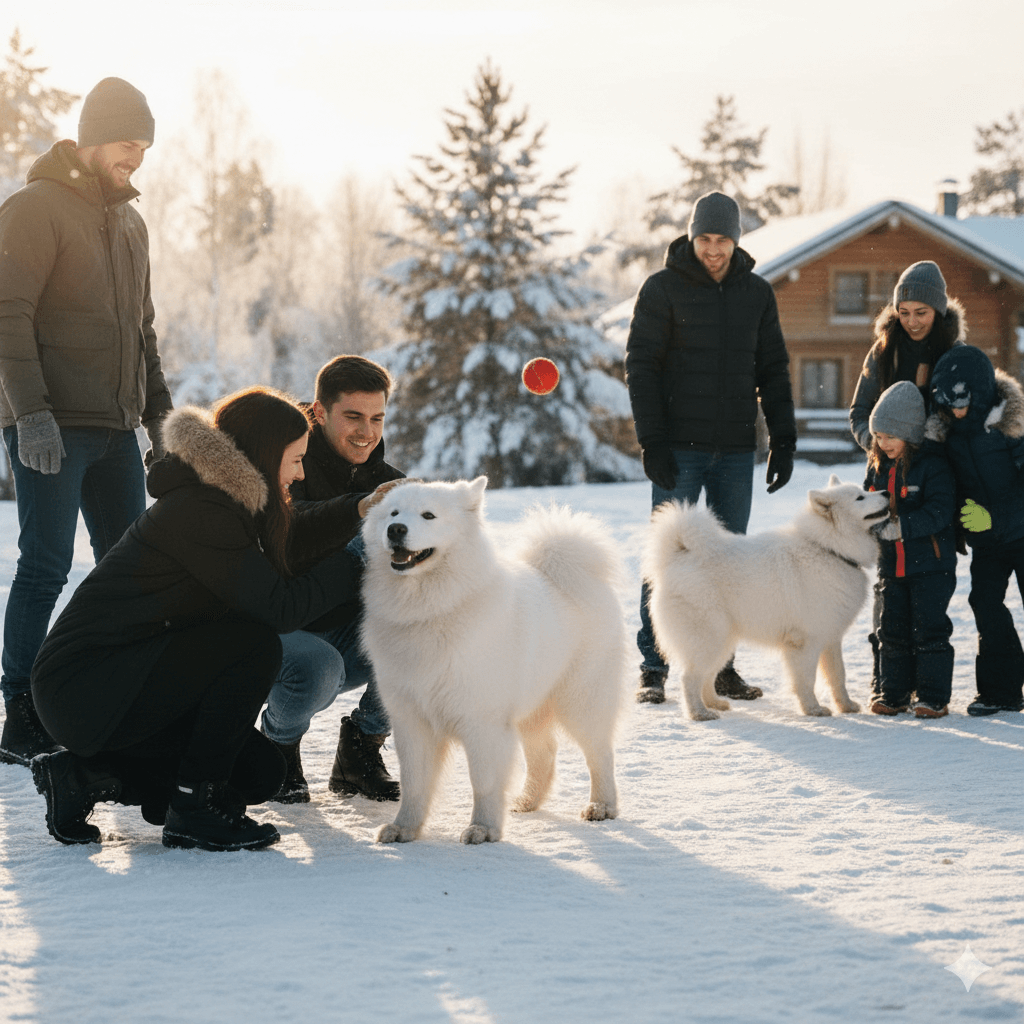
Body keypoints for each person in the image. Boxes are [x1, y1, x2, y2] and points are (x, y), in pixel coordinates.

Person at [29, 387, 366, 851]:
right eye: (295, 460)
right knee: (254, 643)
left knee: (259, 774)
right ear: (266, 457)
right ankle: (193, 809)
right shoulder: (202, 511)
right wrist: (355, 562)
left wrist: (356, 510)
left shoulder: (226, 502)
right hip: (85, 685)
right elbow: (280, 608)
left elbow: (288, 544)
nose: (301, 472)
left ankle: (83, 777)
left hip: (136, 676)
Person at [0, 77, 172, 765]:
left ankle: (112, 692)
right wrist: (29, 414)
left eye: (145, 147)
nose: (137, 158)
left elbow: (143, 330)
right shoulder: (35, 209)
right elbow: (8, 313)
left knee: (125, 567)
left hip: (114, 426)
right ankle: (19, 708)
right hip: (52, 426)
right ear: (95, 137)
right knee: (44, 565)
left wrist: (162, 423)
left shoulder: (131, 222)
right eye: (128, 143)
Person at [625, 190, 797, 705]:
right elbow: (642, 367)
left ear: (736, 240)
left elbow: (773, 369)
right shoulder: (661, 289)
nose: (714, 249)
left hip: (735, 450)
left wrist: (783, 440)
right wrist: (652, 441)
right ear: (691, 236)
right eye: (705, 238)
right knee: (667, 556)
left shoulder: (756, 294)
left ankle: (721, 668)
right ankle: (654, 667)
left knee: (730, 563)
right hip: (679, 449)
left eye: (722, 239)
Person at [260, 355, 404, 803]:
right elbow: (288, 529)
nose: (366, 432)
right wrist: (360, 509)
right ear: (320, 413)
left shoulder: (388, 482)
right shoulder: (285, 462)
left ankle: (361, 748)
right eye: (353, 417)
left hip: (343, 633)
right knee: (321, 666)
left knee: (429, 631)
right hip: (274, 634)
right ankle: (276, 747)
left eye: (377, 418)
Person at [928, 345, 1024, 717]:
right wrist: (959, 520)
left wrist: (994, 518)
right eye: (948, 402)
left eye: (962, 402)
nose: (955, 410)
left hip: (1020, 531)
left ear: (981, 393)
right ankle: (1000, 691)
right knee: (985, 605)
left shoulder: (1011, 427)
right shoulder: (947, 435)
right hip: (988, 543)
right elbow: (949, 487)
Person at [863, 382, 957, 718]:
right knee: (893, 630)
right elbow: (867, 504)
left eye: (891, 435)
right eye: (878, 436)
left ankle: (932, 696)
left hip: (930, 566)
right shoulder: (877, 467)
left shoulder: (931, 465)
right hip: (892, 568)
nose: (883, 443)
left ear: (910, 432)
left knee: (929, 629)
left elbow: (940, 511)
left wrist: (901, 526)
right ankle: (894, 693)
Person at [850, 261, 965, 452]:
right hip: (888, 469)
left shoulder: (956, 354)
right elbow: (859, 411)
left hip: (940, 465)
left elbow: (967, 416)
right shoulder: (884, 351)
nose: (912, 322)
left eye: (921, 313)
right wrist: (879, 445)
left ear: (938, 312)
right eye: (904, 313)